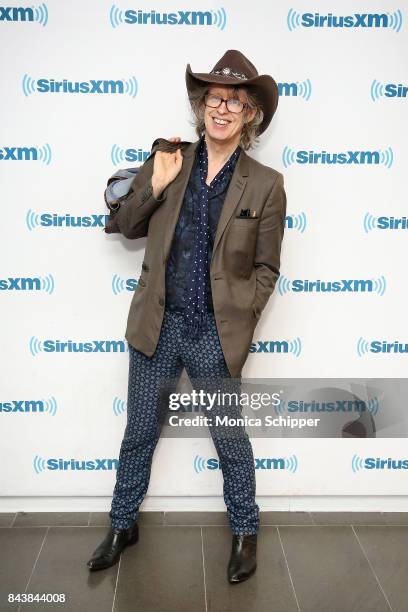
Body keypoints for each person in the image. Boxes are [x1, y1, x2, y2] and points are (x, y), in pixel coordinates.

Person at [87, 50, 286, 584]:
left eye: (235, 102)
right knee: (138, 433)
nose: (222, 108)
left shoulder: (266, 184)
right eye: (214, 98)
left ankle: (246, 530)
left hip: (214, 335)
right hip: (158, 325)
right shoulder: (169, 160)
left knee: (228, 436)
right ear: (202, 107)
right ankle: (121, 524)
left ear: (250, 117)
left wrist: (243, 316)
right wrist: (154, 183)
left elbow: (267, 266)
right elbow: (125, 226)